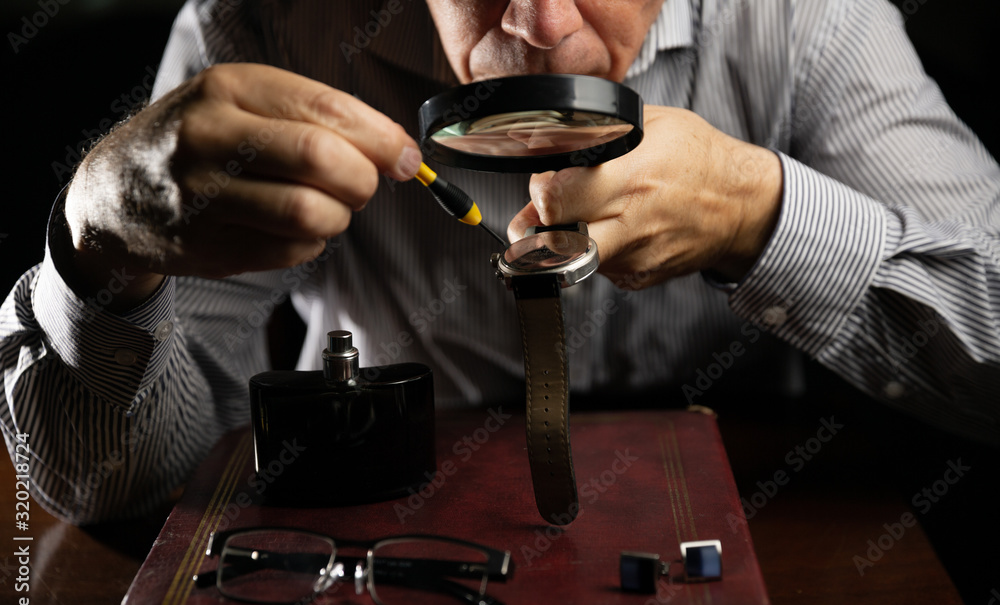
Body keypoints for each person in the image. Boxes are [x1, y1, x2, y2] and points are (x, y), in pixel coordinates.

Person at [2, 0, 998, 524]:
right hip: (372, 543)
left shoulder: (808, 21)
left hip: (770, 524)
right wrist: (97, 248)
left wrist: (765, 214)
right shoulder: (267, 24)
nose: (541, 26)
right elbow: (106, 481)